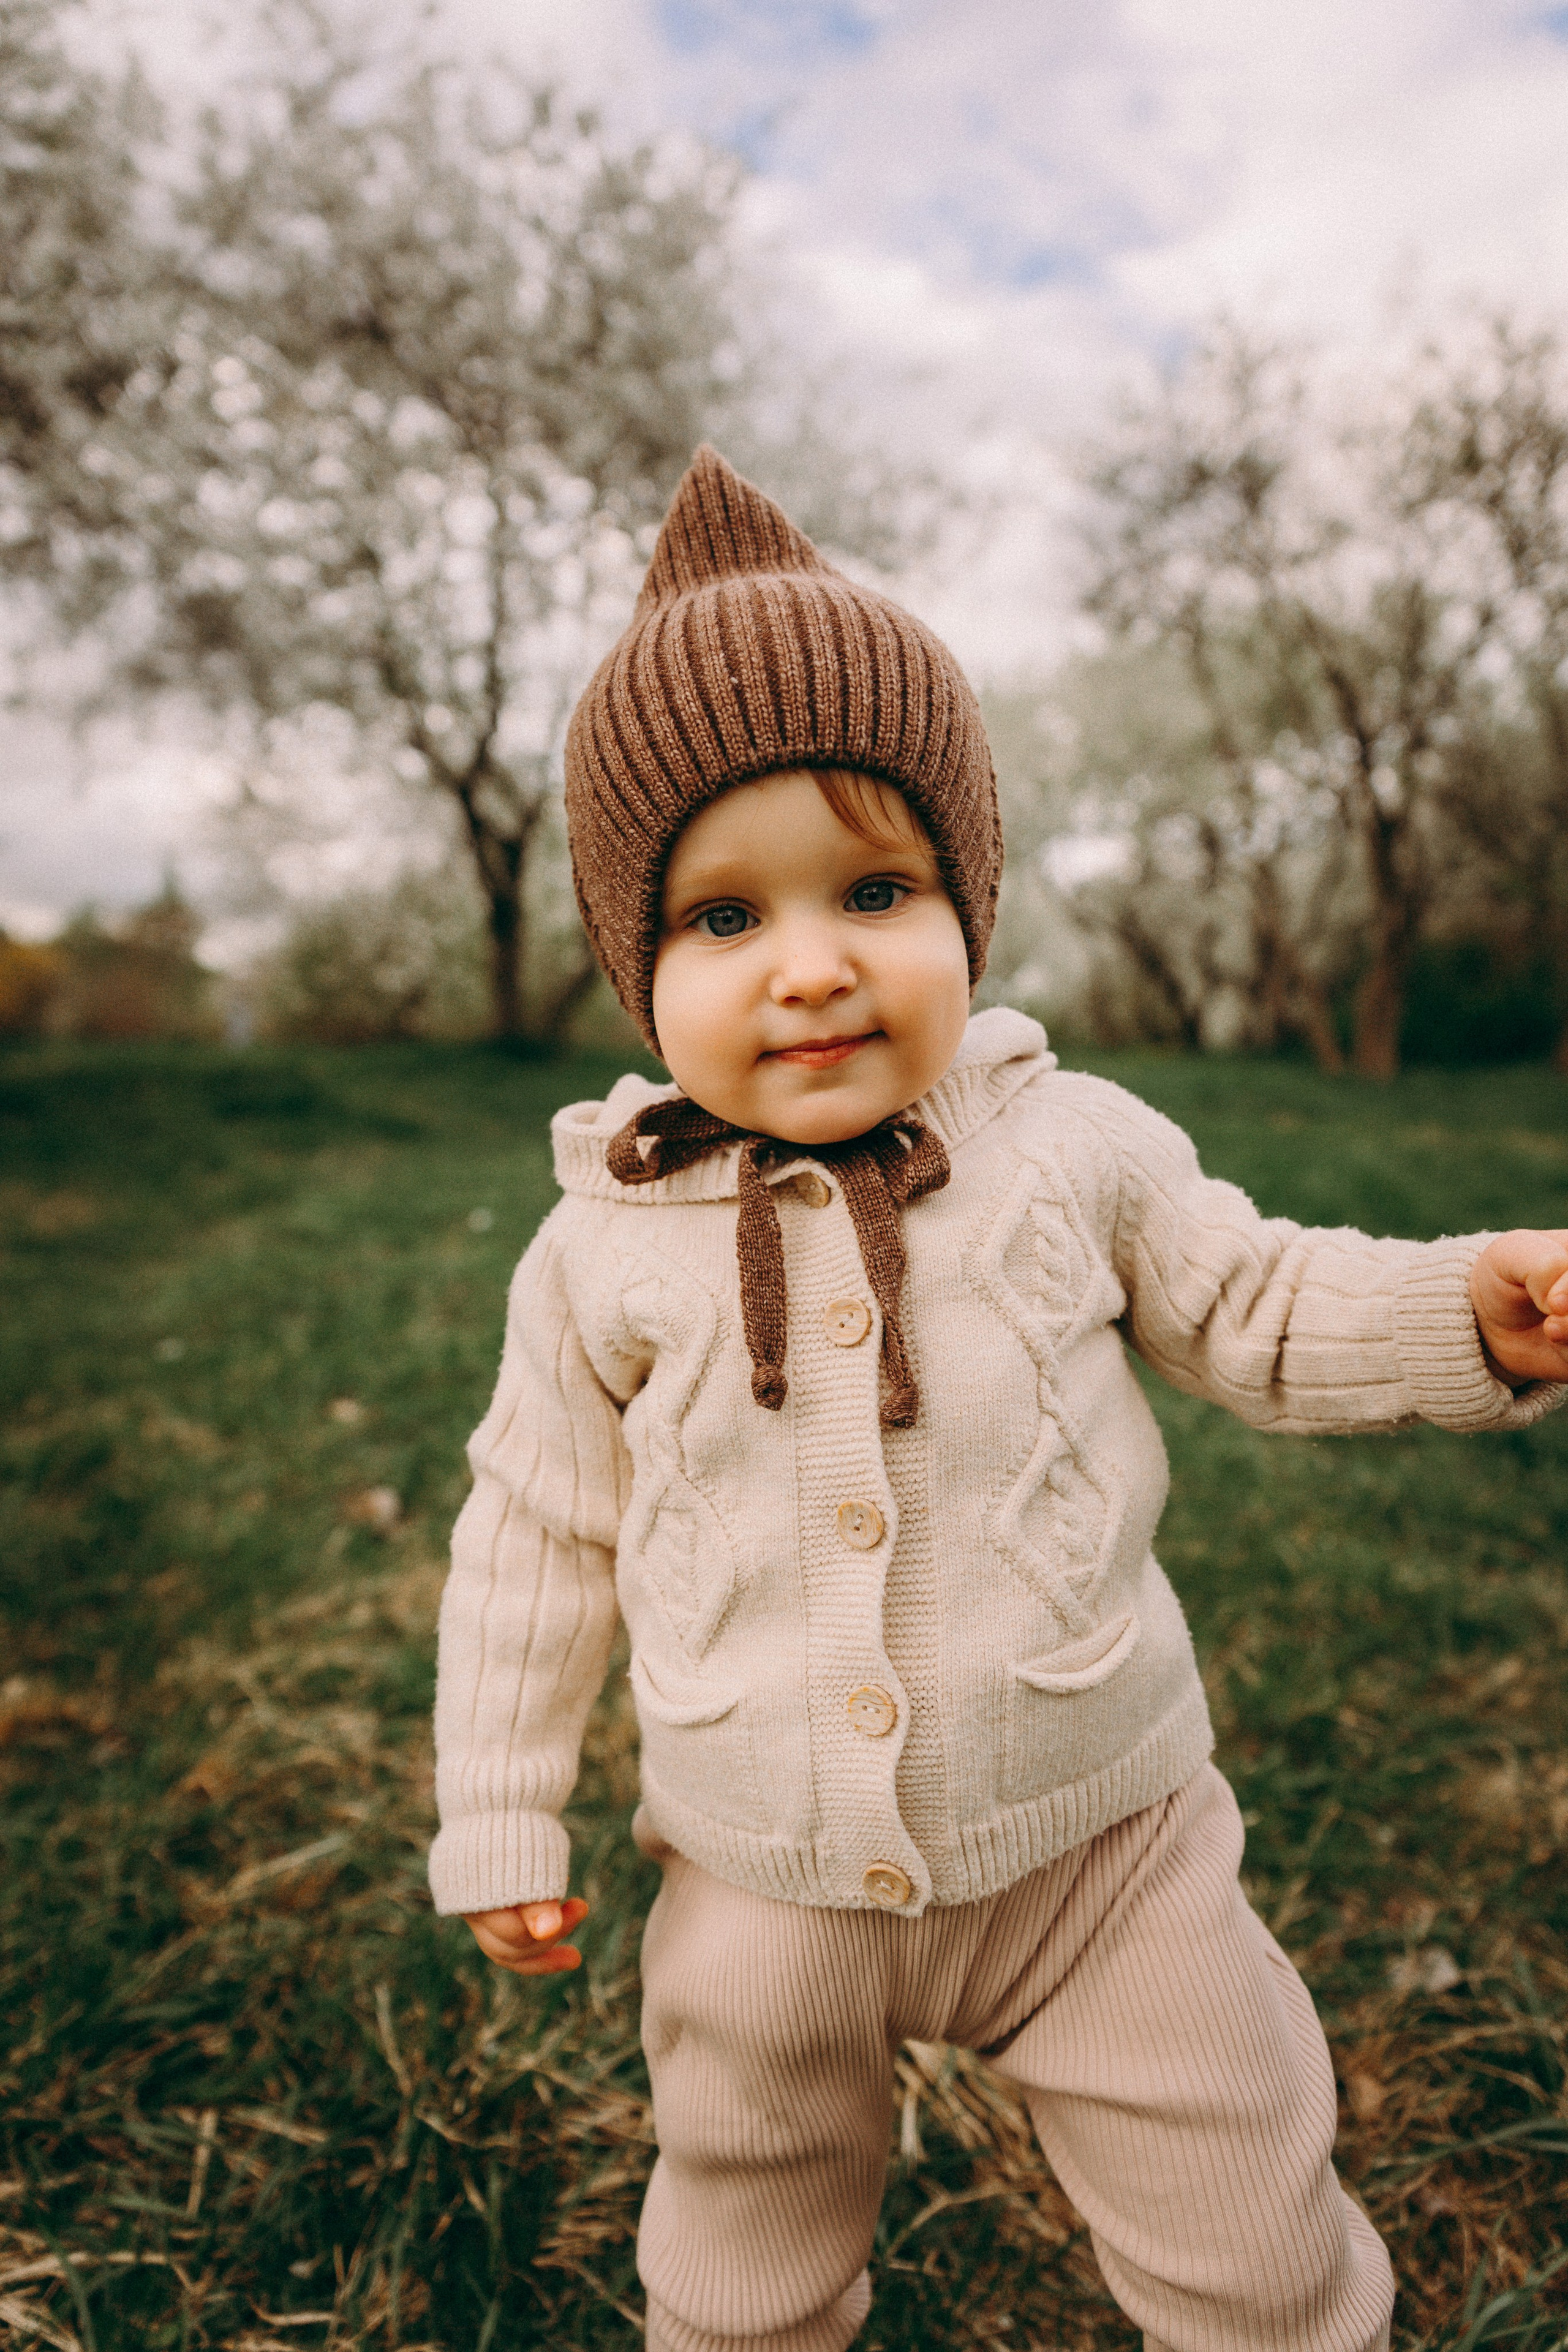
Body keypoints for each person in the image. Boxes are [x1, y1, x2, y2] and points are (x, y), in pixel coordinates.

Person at [428, 448, 1568, 2352]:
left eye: (876, 889)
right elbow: (536, 1533)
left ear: (970, 903)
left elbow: (1263, 1300)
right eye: (723, 919)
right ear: (636, 964)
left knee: (1247, 2218)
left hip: (1103, 1849)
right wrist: (497, 1806)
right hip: (759, 1879)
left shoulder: (1073, 1150)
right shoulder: (598, 1250)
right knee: (741, 2252)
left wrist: (1469, 1313)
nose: (811, 966)